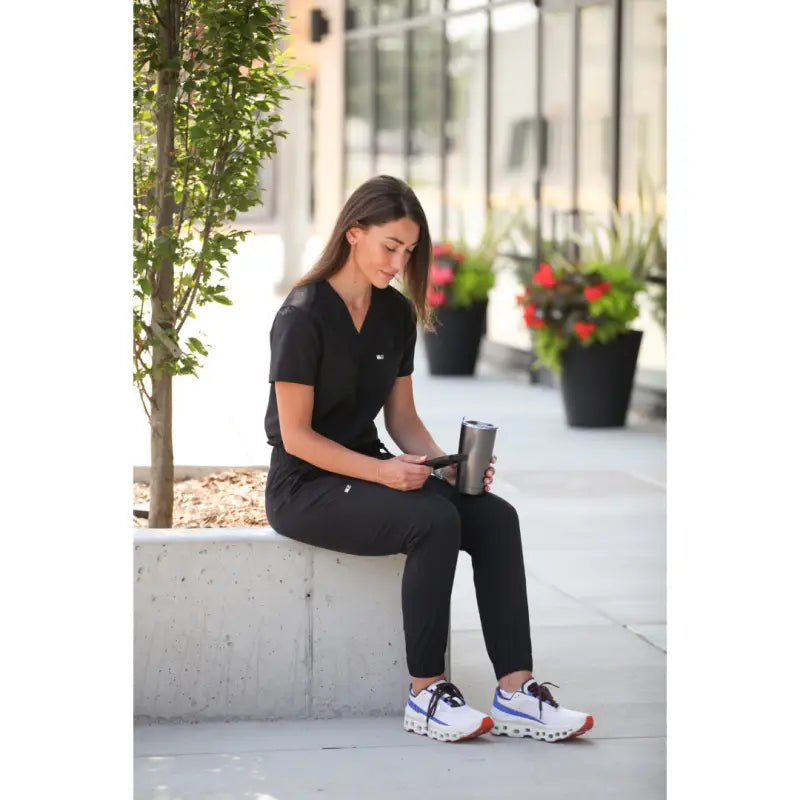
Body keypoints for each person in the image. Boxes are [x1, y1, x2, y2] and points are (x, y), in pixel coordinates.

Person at [264, 175, 593, 743]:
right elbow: (296, 437)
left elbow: (401, 421)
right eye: (390, 246)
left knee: (493, 515)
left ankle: (517, 692)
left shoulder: (393, 314)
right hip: (305, 486)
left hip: (368, 468)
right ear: (353, 233)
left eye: (409, 251)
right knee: (432, 519)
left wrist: (444, 464)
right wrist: (386, 472)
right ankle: (427, 694)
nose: (398, 261)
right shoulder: (302, 313)